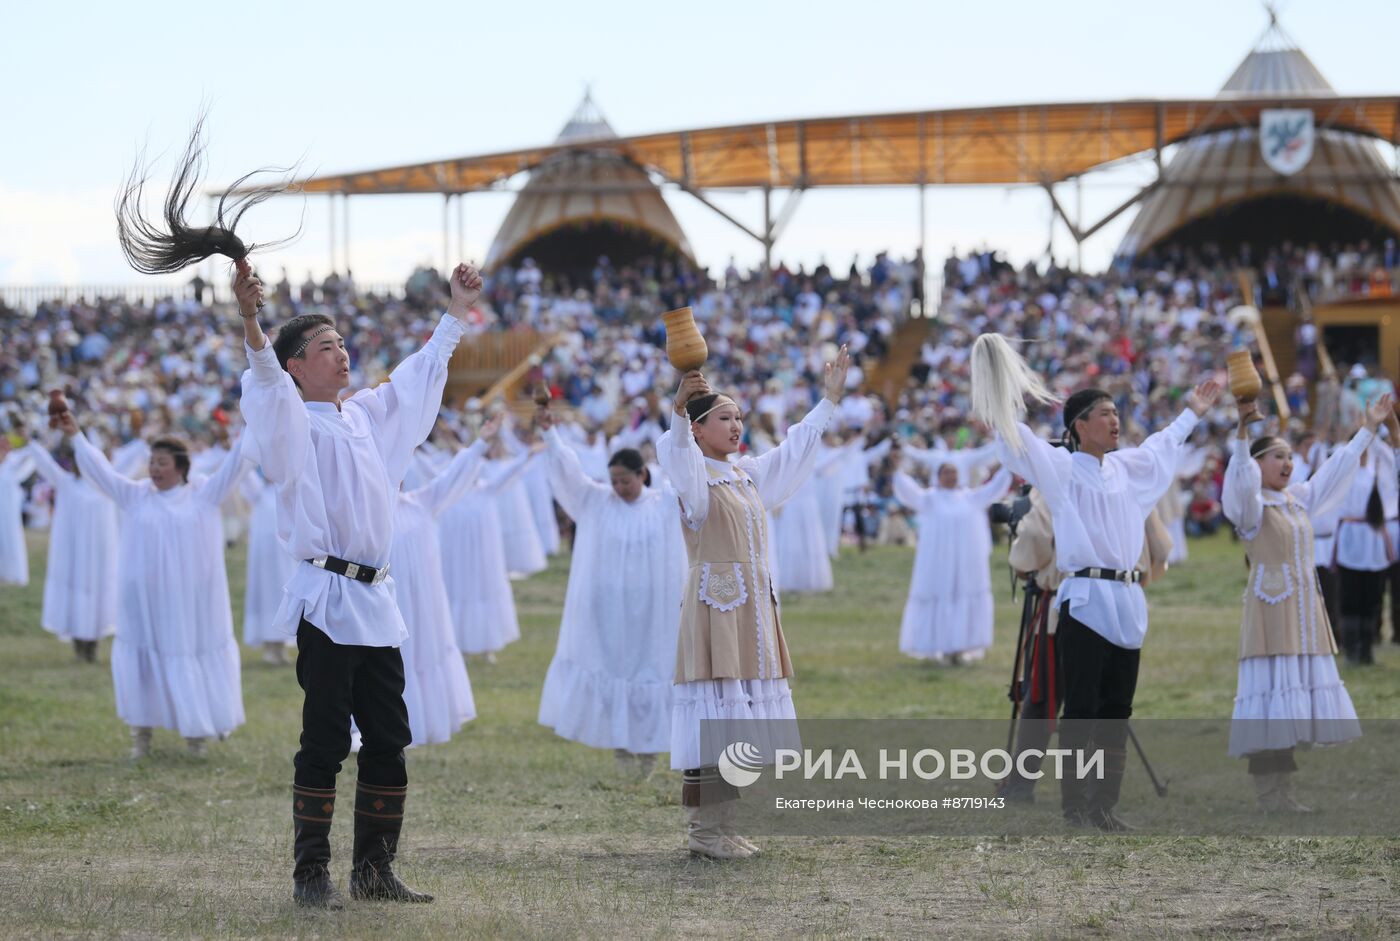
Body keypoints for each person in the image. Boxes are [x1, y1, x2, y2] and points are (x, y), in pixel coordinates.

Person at [234, 258, 484, 908]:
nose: (341, 354)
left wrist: (454, 311)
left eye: (342, 343)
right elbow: (263, 377)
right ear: (297, 365)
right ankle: (310, 874)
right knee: (322, 741)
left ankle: (374, 870)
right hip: (326, 598)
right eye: (325, 347)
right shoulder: (290, 419)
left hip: (378, 599)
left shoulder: (365, 417)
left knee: (389, 738)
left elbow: (419, 376)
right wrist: (252, 321)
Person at [971, 333, 1219, 830]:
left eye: (1115, 412)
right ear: (1079, 427)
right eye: (1103, 414)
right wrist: (998, 380)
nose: (1114, 420)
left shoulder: (1126, 469)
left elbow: (1163, 445)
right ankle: (1075, 808)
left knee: (1116, 710)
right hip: (1086, 597)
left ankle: (1104, 805)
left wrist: (1191, 411)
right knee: (1081, 709)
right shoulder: (1062, 469)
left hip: (1128, 598)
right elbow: (1013, 438)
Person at [658, 346, 849, 860]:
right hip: (717, 612)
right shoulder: (695, 479)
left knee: (735, 721)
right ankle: (704, 832)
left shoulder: (744, 475)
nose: (736, 425)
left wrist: (827, 403)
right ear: (699, 429)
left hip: (749, 613)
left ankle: (723, 825)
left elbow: (793, 450)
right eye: (725, 417)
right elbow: (677, 459)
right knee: (716, 718)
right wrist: (678, 415)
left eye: (739, 417)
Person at [1221, 396, 1385, 810]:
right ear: (1259, 464)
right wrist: (1242, 433)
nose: (1288, 463)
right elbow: (1239, 482)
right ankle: (1268, 793)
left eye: (1290, 457)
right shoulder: (1252, 509)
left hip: (1302, 614)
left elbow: (1335, 470)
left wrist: (1366, 430)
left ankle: (1283, 793)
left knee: (1288, 702)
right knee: (1270, 701)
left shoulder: (1296, 498)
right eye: (1278, 457)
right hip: (1269, 615)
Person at [53, 409, 248, 759]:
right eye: (152, 462)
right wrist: (76, 436)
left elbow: (237, 462)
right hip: (141, 603)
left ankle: (196, 738)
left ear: (181, 466)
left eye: (162, 463)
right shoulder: (136, 495)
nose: (155, 469)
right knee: (140, 665)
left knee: (187, 659)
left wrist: (262, 416)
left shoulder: (203, 495)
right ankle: (140, 738)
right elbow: (101, 471)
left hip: (188, 605)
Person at [536, 408, 686, 777]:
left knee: (652, 671)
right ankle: (621, 744)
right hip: (608, 608)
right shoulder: (596, 500)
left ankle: (650, 750)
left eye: (626, 481)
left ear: (642, 475)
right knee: (612, 668)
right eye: (614, 480)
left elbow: (690, 473)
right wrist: (551, 433)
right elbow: (568, 473)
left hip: (654, 611)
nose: (619, 488)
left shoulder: (665, 504)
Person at [998, 485, 1173, 802]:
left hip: (1069, 606)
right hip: (1122, 608)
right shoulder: (1127, 481)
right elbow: (1160, 548)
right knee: (1106, 704)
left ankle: (1024, 786)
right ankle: (1097, 796)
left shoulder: (1061, 479)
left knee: (1045, 696)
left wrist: (1028, 568)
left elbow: (1034, 538)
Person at [392, 420, 497, 745]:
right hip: (387, 604)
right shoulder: (362, 515)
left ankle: (420, 721)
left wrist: (480, 444)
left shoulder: (420, 502)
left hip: (423, 602)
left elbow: (451, 479)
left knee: (422, 653)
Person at [893, 459, 1012, 663]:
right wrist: (895, 469)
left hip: (965, 564)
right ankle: (941, 647)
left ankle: (962, 647)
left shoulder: (970, 497)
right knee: (940, 595)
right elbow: (907, 490)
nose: (951, 476)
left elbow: (995, 488)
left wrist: (1009, 463)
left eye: (954, 472)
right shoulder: (929, 499)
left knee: (963, 595)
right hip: (938, 563)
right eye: (947, 472)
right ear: (938, 476)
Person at [23, 440, 119, 662]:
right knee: (75, 598)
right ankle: (78, 643)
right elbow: (45, 464)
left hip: (98, 556)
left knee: (96, 599)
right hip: (73, 554)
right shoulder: (66, 482)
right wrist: (29, 441)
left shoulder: (105, 486)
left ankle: (92, 645)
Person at [1332, 403, 1399, 664]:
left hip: (1371, 539)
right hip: (1351, 538)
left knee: (1372, 595)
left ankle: (1367, 647)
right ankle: (1351, 649)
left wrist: (1376, 426)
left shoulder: (1378, 473)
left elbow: (1392, 459)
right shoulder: (1341, 474)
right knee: (1350, 595)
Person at [239, 468, 297, 664]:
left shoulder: (286, 491)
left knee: (283, 596)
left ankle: (281, 646)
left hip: (284, 557)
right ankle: (269, 647)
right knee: (267, 596)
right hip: (264, 559)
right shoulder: (259, 493)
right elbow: (244, 474)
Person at [0, 436, 35, 586]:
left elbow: (32, 455)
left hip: (9, 510)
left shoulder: (13, 462)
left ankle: (14, 573)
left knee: (12, 538)